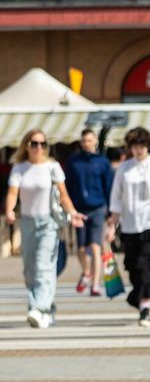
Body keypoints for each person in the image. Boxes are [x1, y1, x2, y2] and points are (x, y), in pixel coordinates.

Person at [4, 129, 84, 328]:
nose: (39, 147)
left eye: (43, 144)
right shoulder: (19, 168)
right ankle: (46, 309)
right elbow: (13, 192)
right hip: (28, 222)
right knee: (30, 270)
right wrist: (10, 210)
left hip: (48, 222)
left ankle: (38, 308)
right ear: (26, 146)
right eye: (34, 144)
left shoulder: (53, 167)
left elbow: (63, 195)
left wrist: (73, 213)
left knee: (43, 266)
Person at [105, 127, 150, 327]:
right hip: (129, 224)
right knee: (133, 266)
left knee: (146, 264)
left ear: (148, 146)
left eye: (141, 146)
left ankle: (145, 306)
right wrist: (112, 224)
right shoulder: (124, 168)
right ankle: (141, 297)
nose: (138, 150)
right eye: (134, 147)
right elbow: (116, 198)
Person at [64, 127, 113, 297]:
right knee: (81, 249)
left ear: (95, 142)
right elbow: (66, 187)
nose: (87, 144)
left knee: (96, 246)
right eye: (84, 141)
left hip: (98, 208)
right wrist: (69, 209)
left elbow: (109, 186)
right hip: (79, 210)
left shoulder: (102, 162)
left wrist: (110, 213)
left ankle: (95, 285)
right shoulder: (73, 162)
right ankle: (86, 272)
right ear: (81, 142)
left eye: (90, 141)